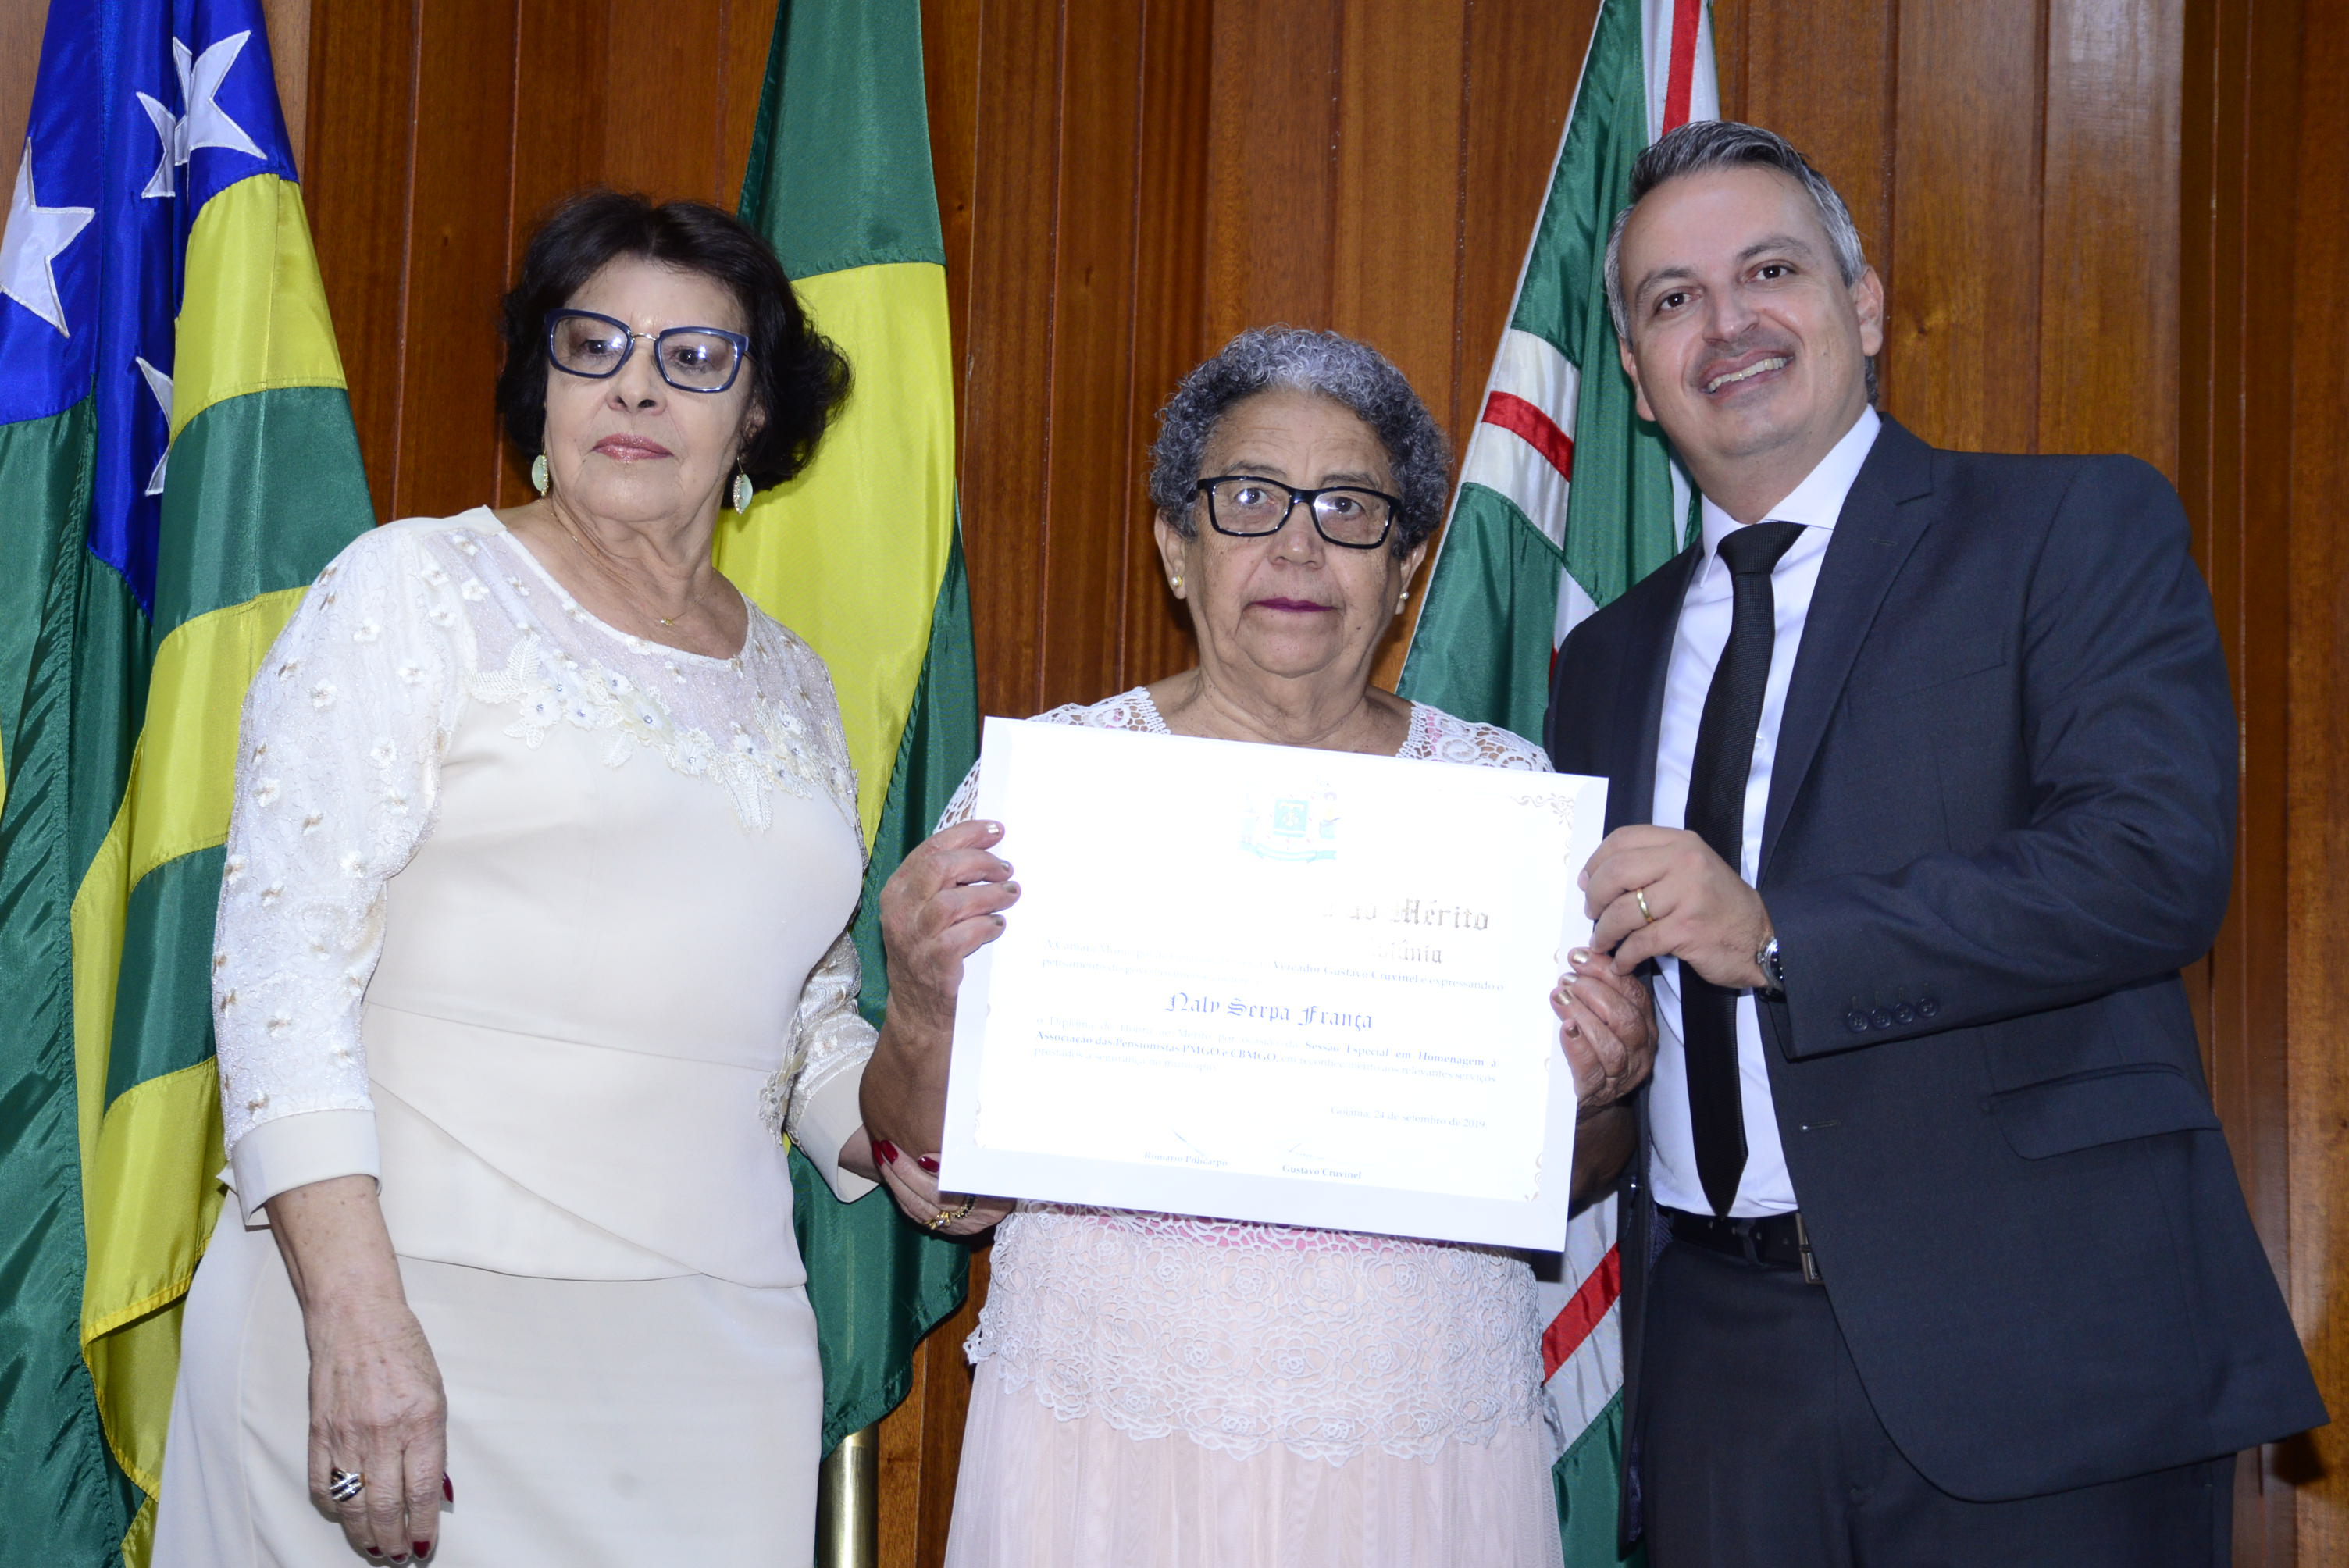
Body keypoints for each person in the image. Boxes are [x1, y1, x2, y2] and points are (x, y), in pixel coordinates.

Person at [1546, 120, 2326, 1566]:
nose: (1726, 323)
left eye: (1769, 271)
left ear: (1863, 307)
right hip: (1715, 1365)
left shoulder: (2066, 527)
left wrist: (1780, 936)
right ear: (1642, 383)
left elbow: (2152, 863)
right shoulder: (1602, 659)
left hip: (2039, 1344)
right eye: (1672, 299)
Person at [154, 191, 932, 1566]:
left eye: (695, 357)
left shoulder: (797, 682)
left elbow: (805, 1021)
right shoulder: (413, 588)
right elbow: (281, 961)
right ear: (543, 386)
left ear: (757, 412)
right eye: (594, 345)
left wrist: (920, 1116)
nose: (636, 386)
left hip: (714, 1365)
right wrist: (355, 1319)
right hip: (401, 1320)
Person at [854, 327, 1657, 1568]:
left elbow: (1574, 1166)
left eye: (1348, 508)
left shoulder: (1509, 806)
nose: (1296, 546)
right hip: (1106, 1416)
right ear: (1177, 546)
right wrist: (919, 1003)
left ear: (1405, 565)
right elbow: (941, 1182)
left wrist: (1602, 1088)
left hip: (1413, 1422)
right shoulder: (1048, 797)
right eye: (1248, 499)